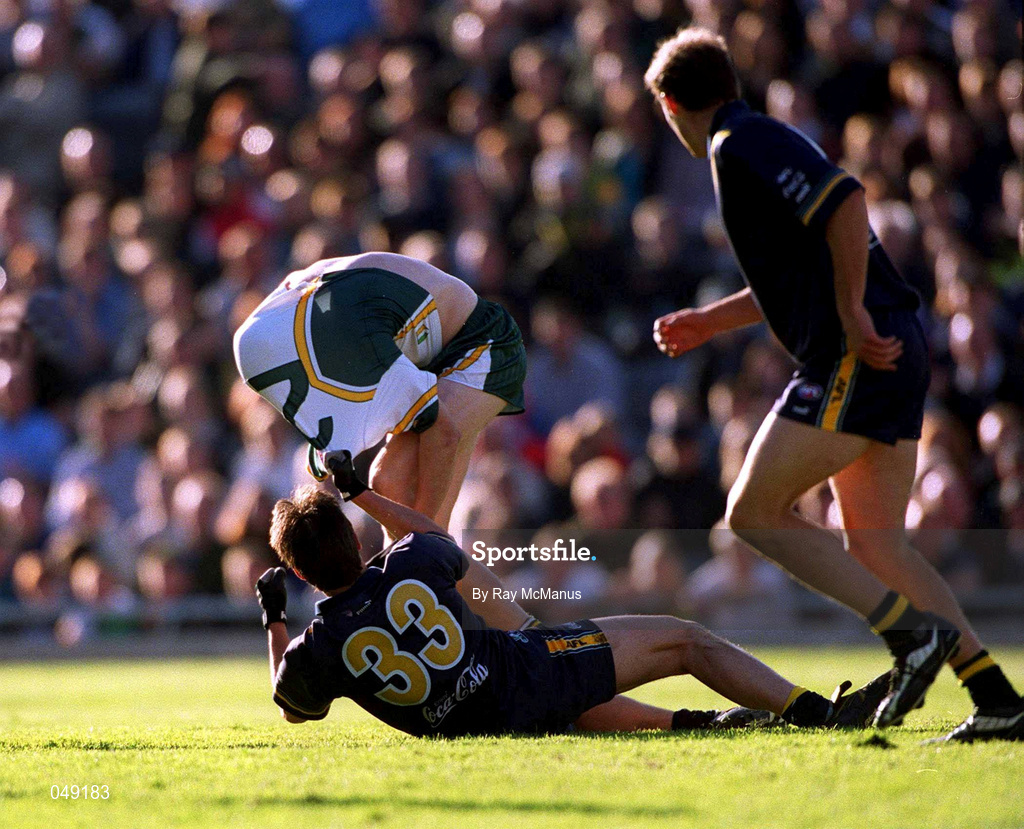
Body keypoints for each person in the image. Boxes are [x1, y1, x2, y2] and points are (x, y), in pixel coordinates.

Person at [644, 27, 1023, 742]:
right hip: (889, 345)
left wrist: (851, 311)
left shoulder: (737, 143)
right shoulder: (750, 138)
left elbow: (844, 199)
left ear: (670, 104)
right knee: (879, 547)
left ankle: (912, 636)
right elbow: (799, 265)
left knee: (753, 510)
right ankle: (997, 695)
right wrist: (709, 322)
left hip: (857, 350)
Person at [253, 454, 885, 737]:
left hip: (467, 728)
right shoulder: (410, 559)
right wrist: (362, 492)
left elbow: (292, 706)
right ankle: (816, 712)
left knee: (559, 697)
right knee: (685, 639)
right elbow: (431, 535)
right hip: (517, 674)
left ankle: (707, 724)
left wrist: (275, 618)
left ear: (304, 576)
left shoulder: (317, 646)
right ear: (352, 534)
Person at [233, 251, 527, 532]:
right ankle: (425, 563)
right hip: (429, 352)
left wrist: (422, 539)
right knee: (389, 482)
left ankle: (429, 561)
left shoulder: (352, 334)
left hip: (484, 344)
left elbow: (444, 434)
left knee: (424, 530)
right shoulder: (275, 329)